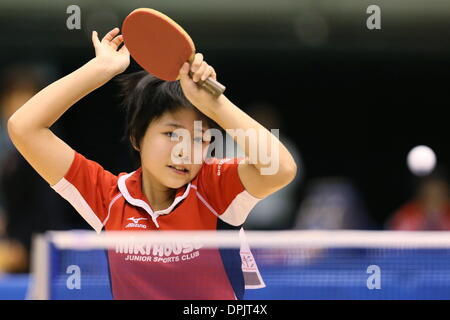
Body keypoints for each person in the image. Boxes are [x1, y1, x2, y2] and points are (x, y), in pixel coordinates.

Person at [7, 28, 297, 299]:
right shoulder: (108, 198)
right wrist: (99, 70)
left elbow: (281, 168)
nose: (184, 151)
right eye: (171, 134)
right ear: (137, 137)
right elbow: (24, 127)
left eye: (198, 139)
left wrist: (213, 104)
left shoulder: (215, 189)